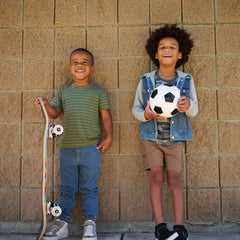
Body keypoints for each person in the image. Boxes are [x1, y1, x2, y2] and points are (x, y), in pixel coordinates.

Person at [35, 48, 113, 240]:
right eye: (75, 62)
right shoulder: (64, 91)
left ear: (92, 68)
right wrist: (45, 104)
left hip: (91, 149)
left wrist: (109, 137)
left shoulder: (98, 92)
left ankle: (89, 224)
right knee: (67, 188)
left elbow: (106, 117)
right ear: (70, 68)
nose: (80, 65)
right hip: (67, 149)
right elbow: (54, 113)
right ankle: (62, 224)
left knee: (89, 189)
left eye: (84, 62)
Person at [132, 24, 198, 240]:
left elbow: (195, 109)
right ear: (155, 53)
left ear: (180, 54)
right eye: (162, 47)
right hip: (151, 137)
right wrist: (147, 115)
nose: (167, 50)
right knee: (156, 177)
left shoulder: (186, 80)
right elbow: (136, 108)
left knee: (175, 179)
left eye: (172, 47)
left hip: (176, 138)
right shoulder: (146, 80)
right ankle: (160, 226)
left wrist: (188, 106)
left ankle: (180, 227)